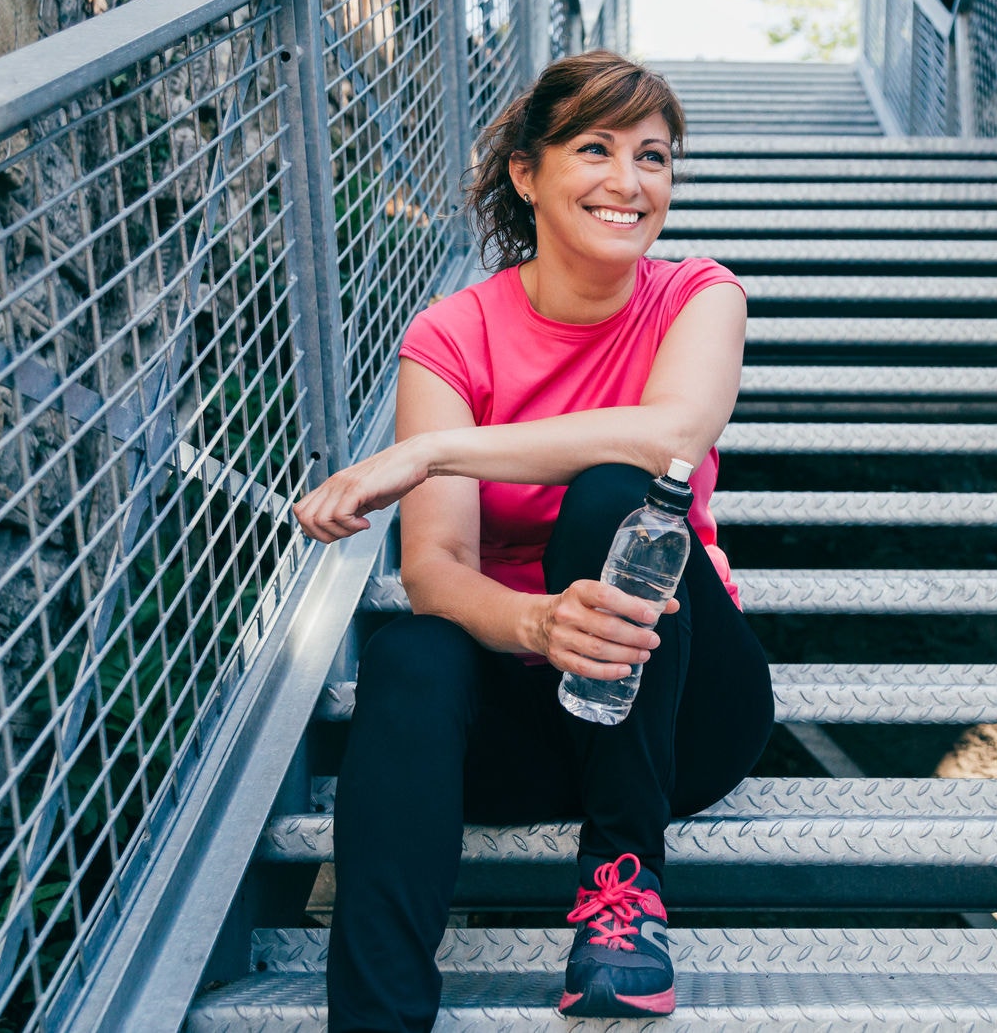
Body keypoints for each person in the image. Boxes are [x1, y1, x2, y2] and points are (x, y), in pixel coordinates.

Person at [292, 50, 776, 1030]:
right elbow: (431, 571)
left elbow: (673, 437)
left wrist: (434, 450)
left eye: (654, 158)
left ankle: (621, 892)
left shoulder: (698, 295)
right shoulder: (452, 333)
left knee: (615, 496)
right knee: (410, 652)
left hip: (679, 709)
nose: (628, 183)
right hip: (528, 715)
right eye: (594, 149)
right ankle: (375, 1018)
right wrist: (537, 623)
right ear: (527, 172)